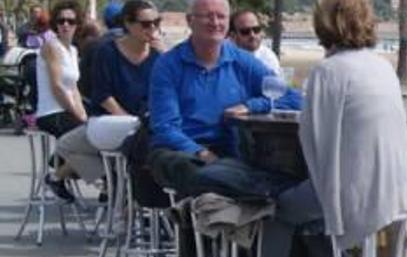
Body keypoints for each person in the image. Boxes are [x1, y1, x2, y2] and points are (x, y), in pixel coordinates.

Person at [245, 0, 407, 257]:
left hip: (358, 195)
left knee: (278, 210)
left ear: (324, 27)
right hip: (395, 196)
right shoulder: (383, 67)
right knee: (312, 214)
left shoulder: (328, 71)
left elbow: (314, 139)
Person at [147, 0, 302, 193]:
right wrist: (202, 153)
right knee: (192, 171)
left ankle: (251, 191)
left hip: (230, 152)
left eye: (221, 16)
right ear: (189, 21)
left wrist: (252, 105)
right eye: (207, 16)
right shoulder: (168, 65)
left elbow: (294, 98)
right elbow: (165, 126)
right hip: (182, 152)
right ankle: (260, 190)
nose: (215, 22)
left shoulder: (243, 61)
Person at [54, 0, 163, 190]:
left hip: (147, 122)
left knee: (67, 146)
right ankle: (114, 181)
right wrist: (131, 120)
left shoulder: (159, 55)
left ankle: (115, 183)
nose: (152, 28)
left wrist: (166, 54)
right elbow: (103, 95)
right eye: (146, 24)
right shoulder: (108, 52)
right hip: (112, 120)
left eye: (157, 22)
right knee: (66, 146)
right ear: (128, 24)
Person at [36, 1, 87, 203]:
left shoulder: (73, 51)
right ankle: (57, 175)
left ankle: (57, 165)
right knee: (91, 140)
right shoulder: (51, 47)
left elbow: (73, 87)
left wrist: (83, 115)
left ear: (77, 24)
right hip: (51, 112)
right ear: (55, 24)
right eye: (61, 21)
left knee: (96, 134)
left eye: (71, 21)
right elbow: (57, 87)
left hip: (67, 110)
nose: (65, 25)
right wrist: (76, 114)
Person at [229, 9, 281, 76]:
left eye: (256, 29)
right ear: (233, 36)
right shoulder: (224, 59)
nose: (252, 35)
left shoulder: (268, 58)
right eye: (245, 31)